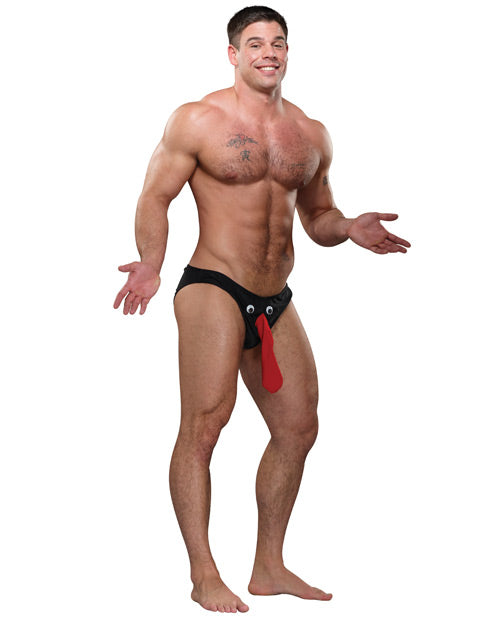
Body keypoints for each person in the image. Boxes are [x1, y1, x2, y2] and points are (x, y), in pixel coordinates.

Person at [113, 5, 410, 613]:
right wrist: (150, 261)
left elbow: (318, 217)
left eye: (277, 42)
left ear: (287, 52)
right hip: (213, 285)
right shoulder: (198, 120)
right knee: (205, 427)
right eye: (254, 43)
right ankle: (203, 574)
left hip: (275, 297)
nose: (267, 52)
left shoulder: (311, 134)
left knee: (299, 427)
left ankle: (268, 566)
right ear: (233, 54)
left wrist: (349, 227)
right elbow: (155, 195)